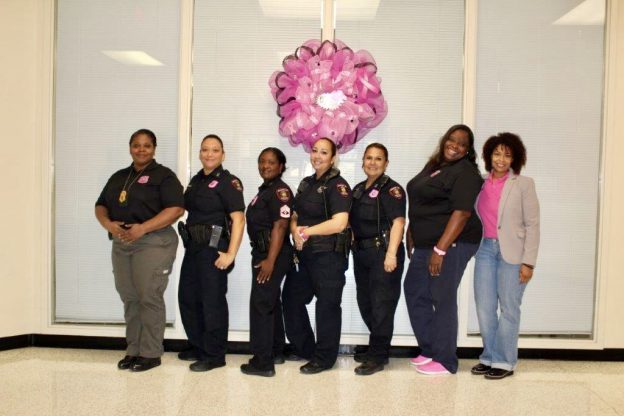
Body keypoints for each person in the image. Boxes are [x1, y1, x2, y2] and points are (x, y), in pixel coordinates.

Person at [95, 128, 184, 372]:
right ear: (130, 147)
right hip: (123, 243)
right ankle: (133, 349)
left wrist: (142, 228)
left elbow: (176, 209)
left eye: (146, 145)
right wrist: (108, 225)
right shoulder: (119, 177)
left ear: (154, 148)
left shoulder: (164, 176)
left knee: (148, 296)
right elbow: (100, 205)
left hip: (153, 242)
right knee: (130, 298)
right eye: (136, 145)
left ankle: (151, 353)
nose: (141, 149)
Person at [404, 124, 483, 375]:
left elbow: (461, 213)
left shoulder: (465, 172)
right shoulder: (436, 167)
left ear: (468, 150)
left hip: (453, 243)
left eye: (462, 143)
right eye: (452, 140)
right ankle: (430, 349)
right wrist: (412, 229)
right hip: (427, 242)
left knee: (442, 296)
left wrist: (440, 250)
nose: (455, 146)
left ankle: (446, 360)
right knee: (415, 291)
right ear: (444, 140)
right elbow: (421, 200)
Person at [471, 132, 540, 380]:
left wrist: (528, 262)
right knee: (484, 307)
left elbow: (533, 224)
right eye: (497, 153)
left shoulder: (524, 184)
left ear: (515, 159)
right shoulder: (479, 182)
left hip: (513, 253)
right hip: (485, 251)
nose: (501, 159)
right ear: (489, 155)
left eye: (507, 155)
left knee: (509, 308)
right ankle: (489, 356)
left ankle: (505, 361)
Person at [282, 137, 352, 374]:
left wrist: (306, 232)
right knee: (291, 299)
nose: (318, 156)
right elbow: (294, 214)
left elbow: (340, 223)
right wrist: (295, 231)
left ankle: (324, 358)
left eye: (324, 152)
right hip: (305, 255)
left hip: (329, 256)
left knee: (327, 307)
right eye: (315, 151)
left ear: (332, 158)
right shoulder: (306, 183)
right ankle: (305, 349)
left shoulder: (338, 185)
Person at [177, 134, 245, 372]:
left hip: (214, 249)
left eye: (215, 150)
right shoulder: (195, 181)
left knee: (212, 302)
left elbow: (238, 219)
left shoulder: (229, 182)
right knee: (188, 298)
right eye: (205, 150)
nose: (209, 154)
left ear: (222, 154)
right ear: (199, 153)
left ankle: (215, 355)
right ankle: (198, 346)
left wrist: (231, 254)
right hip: (193, 249)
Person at [350, 143, 406, 375]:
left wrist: (391, 254)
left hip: (384, 253)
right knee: (366, 303)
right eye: (369, 158)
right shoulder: (358, 189)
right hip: (362, 253)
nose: (373, 162)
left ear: (386, 163)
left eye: (378, 159)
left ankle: (378, 355)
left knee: (382, 305)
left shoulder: (392, 190)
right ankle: (378, 346)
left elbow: (398, 223)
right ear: (363, 161)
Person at [241, 147, 294, 377]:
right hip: (265, 252)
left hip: (272, 254)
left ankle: (262, 363)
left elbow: (281, 226)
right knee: (270, 302)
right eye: (262, 161)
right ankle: (275, 351)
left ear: (281, 166)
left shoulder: (280, 191)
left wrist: (270, 260)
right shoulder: (266, 190)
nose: (265, 166)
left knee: (261, 304)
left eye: (271, 162)